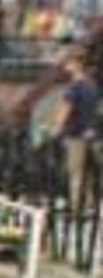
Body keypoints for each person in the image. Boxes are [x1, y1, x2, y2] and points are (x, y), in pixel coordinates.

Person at [54, 49, 100, 216]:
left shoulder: (74, 87)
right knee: (90, 171)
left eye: (68, 62)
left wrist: (55, 130)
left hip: (75, 134)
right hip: (92, 134)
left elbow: (65, 110)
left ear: (77, 64)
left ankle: (76, 207)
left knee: (76, 172)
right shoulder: (92, 85)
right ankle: (89, 205)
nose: (66, 65)